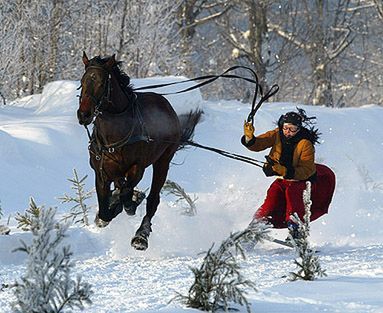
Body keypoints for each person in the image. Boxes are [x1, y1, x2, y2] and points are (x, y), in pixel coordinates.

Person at [241, 108, 335, 237]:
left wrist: (285, 170)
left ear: (298, 129)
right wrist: (249, 137)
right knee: (271, 200)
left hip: (299, 182)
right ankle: (256, 227)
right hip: (282, 180)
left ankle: (296, 230)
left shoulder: (305, 144)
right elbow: (259, 144)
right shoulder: (277, 134)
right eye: (285, 128)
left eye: (292, 129)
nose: (287, 132)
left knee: (293, 199)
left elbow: (307, 170)